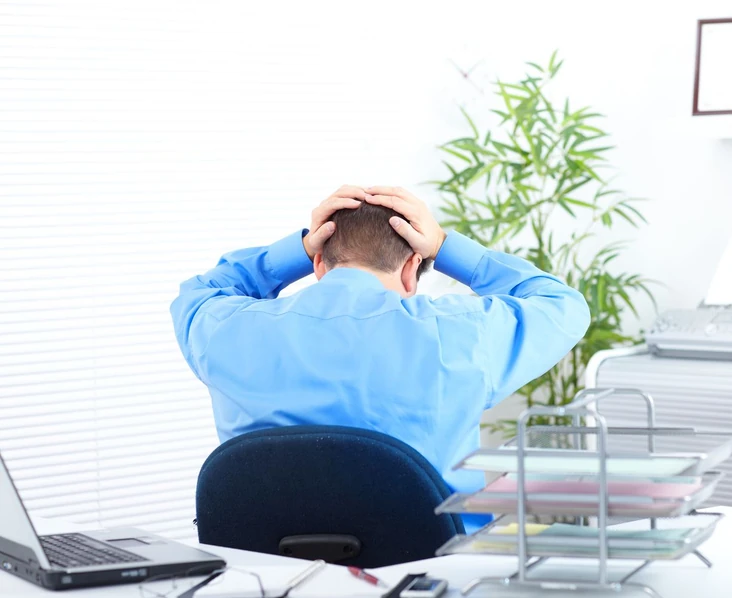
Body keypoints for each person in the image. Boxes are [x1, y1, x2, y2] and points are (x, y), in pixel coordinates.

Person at [170, 185, 590, 531]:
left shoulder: (229, 330)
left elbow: (199, 292)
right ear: (412, 268)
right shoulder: (461, 334)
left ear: (318, 264)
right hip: (432, 573)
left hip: (270, 573)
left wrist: (297, 248)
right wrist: (443, 246)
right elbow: (563, 305)